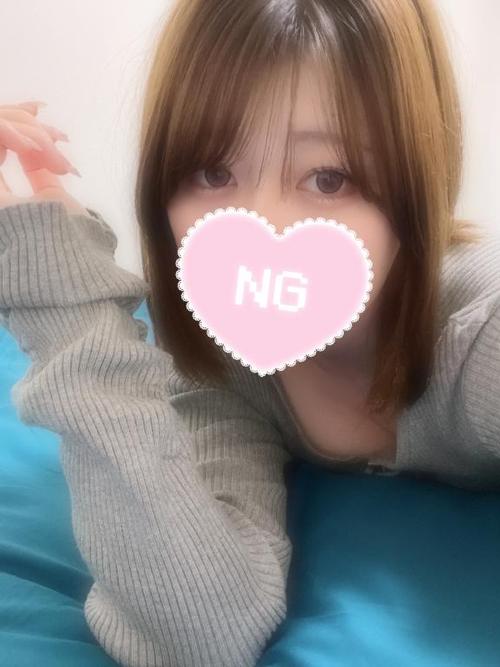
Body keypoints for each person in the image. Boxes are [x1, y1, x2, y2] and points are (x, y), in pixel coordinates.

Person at [0, 1, 499, 666]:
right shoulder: (225, 364)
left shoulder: (482, 334)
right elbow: (203, 631)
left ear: (416, 184)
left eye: (329, 177)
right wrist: (66, 304)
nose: (262, 225)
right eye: (213, 172)